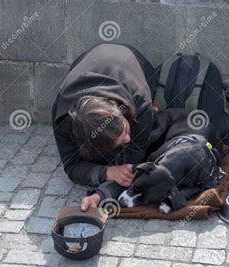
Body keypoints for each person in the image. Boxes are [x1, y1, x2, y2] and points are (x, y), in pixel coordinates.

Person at [51, 43, 158, 211]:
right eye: (122, 137)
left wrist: (102, 193)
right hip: (89, 62)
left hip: (133, 61)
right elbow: (72, 165)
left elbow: (131, 169)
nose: (128, 138)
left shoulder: (140, 101)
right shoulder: (62, 116)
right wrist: (108, 172)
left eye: (125, 130)